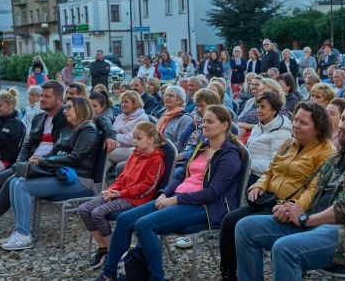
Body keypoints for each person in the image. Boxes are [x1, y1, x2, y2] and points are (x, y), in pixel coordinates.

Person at [235, 99, 345, 280]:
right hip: (320, 225)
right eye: (343, 119)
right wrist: (290, 208)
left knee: (285, 249)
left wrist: (305, 219)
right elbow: (312, 190)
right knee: (245, 227)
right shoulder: (339, 156)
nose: (342, 126)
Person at [97, 105, 243, 280]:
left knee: (144, 225)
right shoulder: (203, 146)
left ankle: (157, 277)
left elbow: (212, 193)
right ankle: (109, 274)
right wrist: (165, 193)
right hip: (178, 198)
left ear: (224, 125)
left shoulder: (229, 155)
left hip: (205, 207)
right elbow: (181, 174)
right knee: (124, 219)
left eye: (209, 121)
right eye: (203, 120)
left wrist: (176, 200)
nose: (204, 125)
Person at [220, 101, 334, 280]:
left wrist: (295, 207)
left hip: (289, 205)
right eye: (295, 120)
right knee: (229, 220)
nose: (295, 125)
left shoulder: (325, 153)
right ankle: (229, 273)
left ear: (318, 128)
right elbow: (270, 170)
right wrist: (259, 185)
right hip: (269, 197)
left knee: (242, 224)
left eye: (302, 123)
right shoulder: (289, 143)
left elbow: (314, 190)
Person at [0, 96, 101, 251]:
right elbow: (54, 152)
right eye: (66, 107)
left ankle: (23, 235)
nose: (65, 111)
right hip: (61, 174)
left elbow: (75, 158)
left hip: (79, 179)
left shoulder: (88, 129)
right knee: (15, 181)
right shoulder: (67, 128)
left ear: (80, 109)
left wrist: (42, 162)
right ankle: (20, 231)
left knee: (21, 185)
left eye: (69, 107)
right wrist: (39, 159)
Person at [0, 81, 66, 239]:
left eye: (47, 96)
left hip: (49, 165)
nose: (41, 99)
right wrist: (19, 163)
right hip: (30, 163)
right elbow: (27, 145)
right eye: (41, 95)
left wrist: (109, 135)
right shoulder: (39, 118)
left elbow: (92, 120)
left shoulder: (66, 117)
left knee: (10, 181)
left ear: (60, 99)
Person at [78, 121, 165, 269]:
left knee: (98, 213)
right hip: (121, 193)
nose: (134, 141)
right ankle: (104, 248)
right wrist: (111, 190)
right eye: (134, 138)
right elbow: (123, 176)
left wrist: (120, 193)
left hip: (136, 200)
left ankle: (114, 255)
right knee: (84, 210)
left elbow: (147, 188)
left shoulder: (156, 159)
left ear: (151, 139)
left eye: (138, 138)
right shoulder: (136, 154)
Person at [245, 92, 293, 181]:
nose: (258, 110)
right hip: (249, 172)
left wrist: (247, 163)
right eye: (258, 106)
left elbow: (276, 166)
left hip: (262, 179)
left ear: (274, 110)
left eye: (263, 107)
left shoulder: (282, 133)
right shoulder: (259, 126)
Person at [108, 91, 149, 167]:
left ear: (135, 103)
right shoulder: (120, 117)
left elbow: (133, 138)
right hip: (118, 146)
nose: (123, 104)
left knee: (104, 152)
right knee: (106, 159)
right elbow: (112, 131)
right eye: (122, 102)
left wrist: (115, 137)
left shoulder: (142, 118)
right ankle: (101, 178)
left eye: (126, 102)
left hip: (133, 150)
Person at [237, 75, 262, 143]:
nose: (253, 86)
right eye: (252, 84)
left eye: (257, 84)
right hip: (242, 132)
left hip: (255, 135)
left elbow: (262, 125)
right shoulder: (250, 101)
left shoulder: (266, 103)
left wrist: (246, 127)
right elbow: (240, 119)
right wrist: (242, 128)